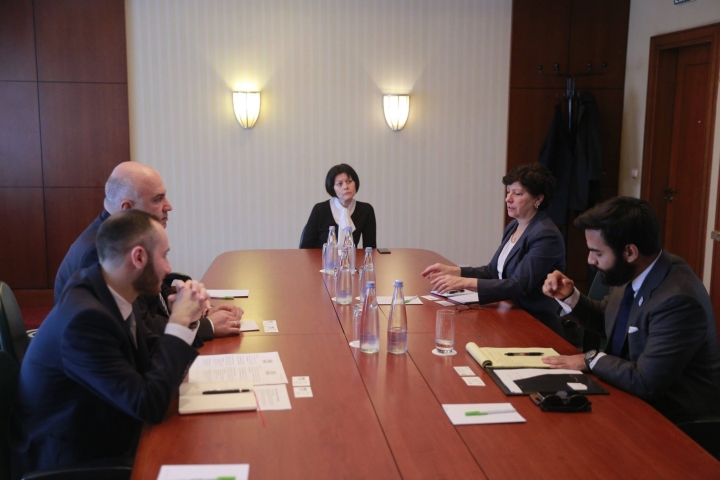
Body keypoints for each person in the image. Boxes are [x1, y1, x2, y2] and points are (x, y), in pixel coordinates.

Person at [10, 210, 206, 478]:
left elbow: (151, 353)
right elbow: (149, 405)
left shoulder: (112, 289)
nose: (168, 268)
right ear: (138, 257)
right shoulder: (84, 321)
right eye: (164, 255)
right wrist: (179, 321)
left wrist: (188, 320)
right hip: (73, 461)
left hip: (107, 426)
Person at [542, 196, 720, 423]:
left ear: (630, 252)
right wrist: (569, 296)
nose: (590, 260)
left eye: (597, 253)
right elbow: (610, 319)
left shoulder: (678, 300)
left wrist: (591, 359)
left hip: (674, 421)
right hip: (627, 394)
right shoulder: (637, 269)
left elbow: (646, 381)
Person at [53, 161, 242, 340]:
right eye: (158, 199)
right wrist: (206, 326)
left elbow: (151, 296)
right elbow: (138, 327)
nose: (169, 206)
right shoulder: (100, 251)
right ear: (127, 208)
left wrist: (189, 307)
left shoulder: (127, 233)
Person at [422, 163, 573, 342]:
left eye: (517, 193)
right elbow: (492, 271)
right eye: (508, 192)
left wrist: (463, 282)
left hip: (535, 323)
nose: (508, 199)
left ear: (538, 199)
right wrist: (456, 271)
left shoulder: (546, 235)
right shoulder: (514, 226)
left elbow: (518, 285)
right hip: (508, 313)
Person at [300, 164, 377, 249]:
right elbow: (305, 248)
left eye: (349, 181)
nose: (345, 187)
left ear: (355, 183)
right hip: (321, 257)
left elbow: (370, 248)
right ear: (332, 188)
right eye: (339, 184)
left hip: (351, 257)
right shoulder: (320, 209)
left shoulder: (366, 210)